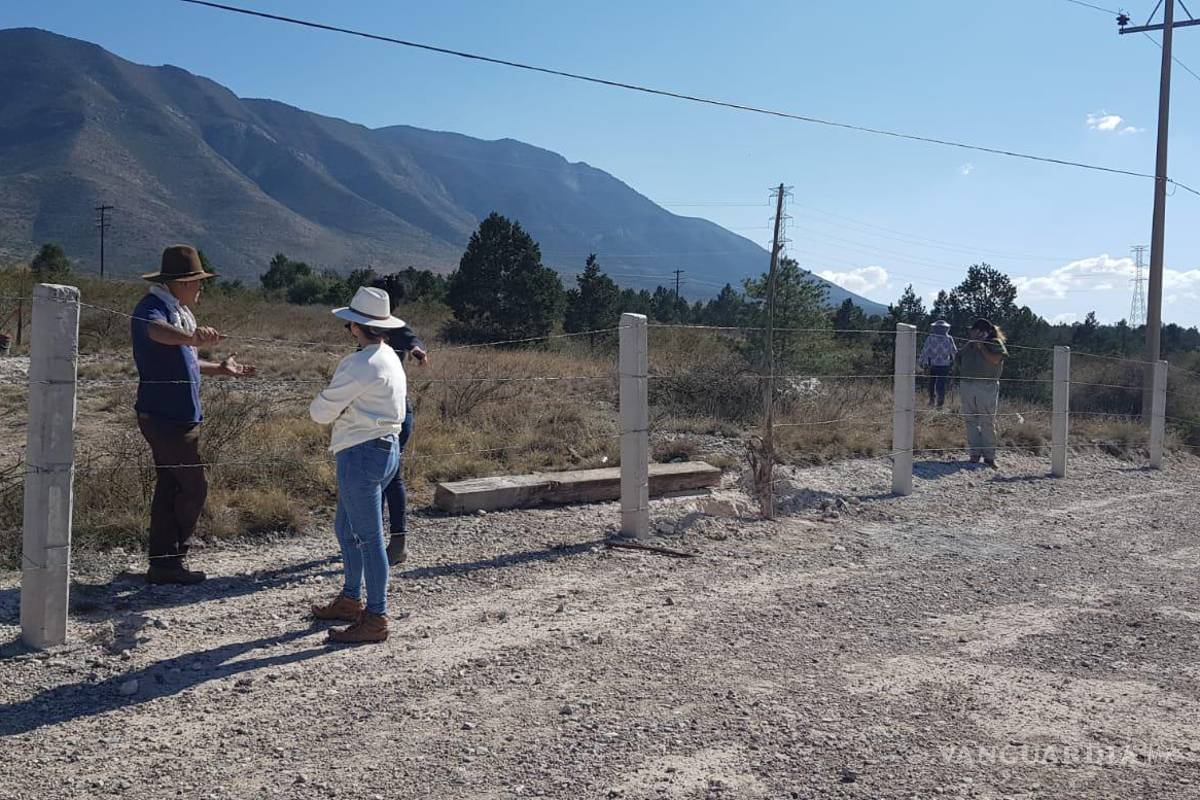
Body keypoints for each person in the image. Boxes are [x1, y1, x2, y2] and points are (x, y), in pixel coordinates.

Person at [131, 245, 255, 585]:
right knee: (193, 486)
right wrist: (191, 337)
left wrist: (219, 368)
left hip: (176, 415)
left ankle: (164, 562)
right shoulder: (153, 309)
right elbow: (156, 332)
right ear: (183, 282)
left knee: (171, 485)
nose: (201, 288)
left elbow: (184, 359)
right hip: (165, 417)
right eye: (198, 281)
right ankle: (171, 559)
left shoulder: (177, 312)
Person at [309, 286, 407, 644]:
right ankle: (352, 600)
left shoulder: (358, 364)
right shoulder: (390, 356)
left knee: (367, 538)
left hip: (360, 453)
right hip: (386, 450)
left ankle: (376, 616)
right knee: (348, 529)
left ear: (354, 326)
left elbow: (320, 412)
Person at [381, 322, 428, 566]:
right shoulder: (368, 325)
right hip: (377, 412)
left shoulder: (393, 326)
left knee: (391, 474)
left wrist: (417, 351)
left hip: (395, 412)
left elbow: (414, 341)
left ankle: (396, 542)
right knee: (380, 476)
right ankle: (376, 540)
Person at [955, 317, 1009, 468]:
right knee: (970, 420)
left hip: (986, 385)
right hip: (967, 384)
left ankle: (989, 456)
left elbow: (995, 359)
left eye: (973, 330)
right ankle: (974, 453)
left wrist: (981, 347)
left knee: (987, 421)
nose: (970, 332)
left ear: (980, 331)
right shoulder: (969, 345)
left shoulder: (995, 343)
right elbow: (958, 357)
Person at [919, 319, 957, 408]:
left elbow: (925, 351)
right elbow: (954, 352)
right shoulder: (945, 338)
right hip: (940, 365)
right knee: (938, 384)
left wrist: (922, 361)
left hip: (936, 365)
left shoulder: (940, 338)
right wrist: (956, 363)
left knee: (934, 383)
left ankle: (937, 402)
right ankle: (937, 402)